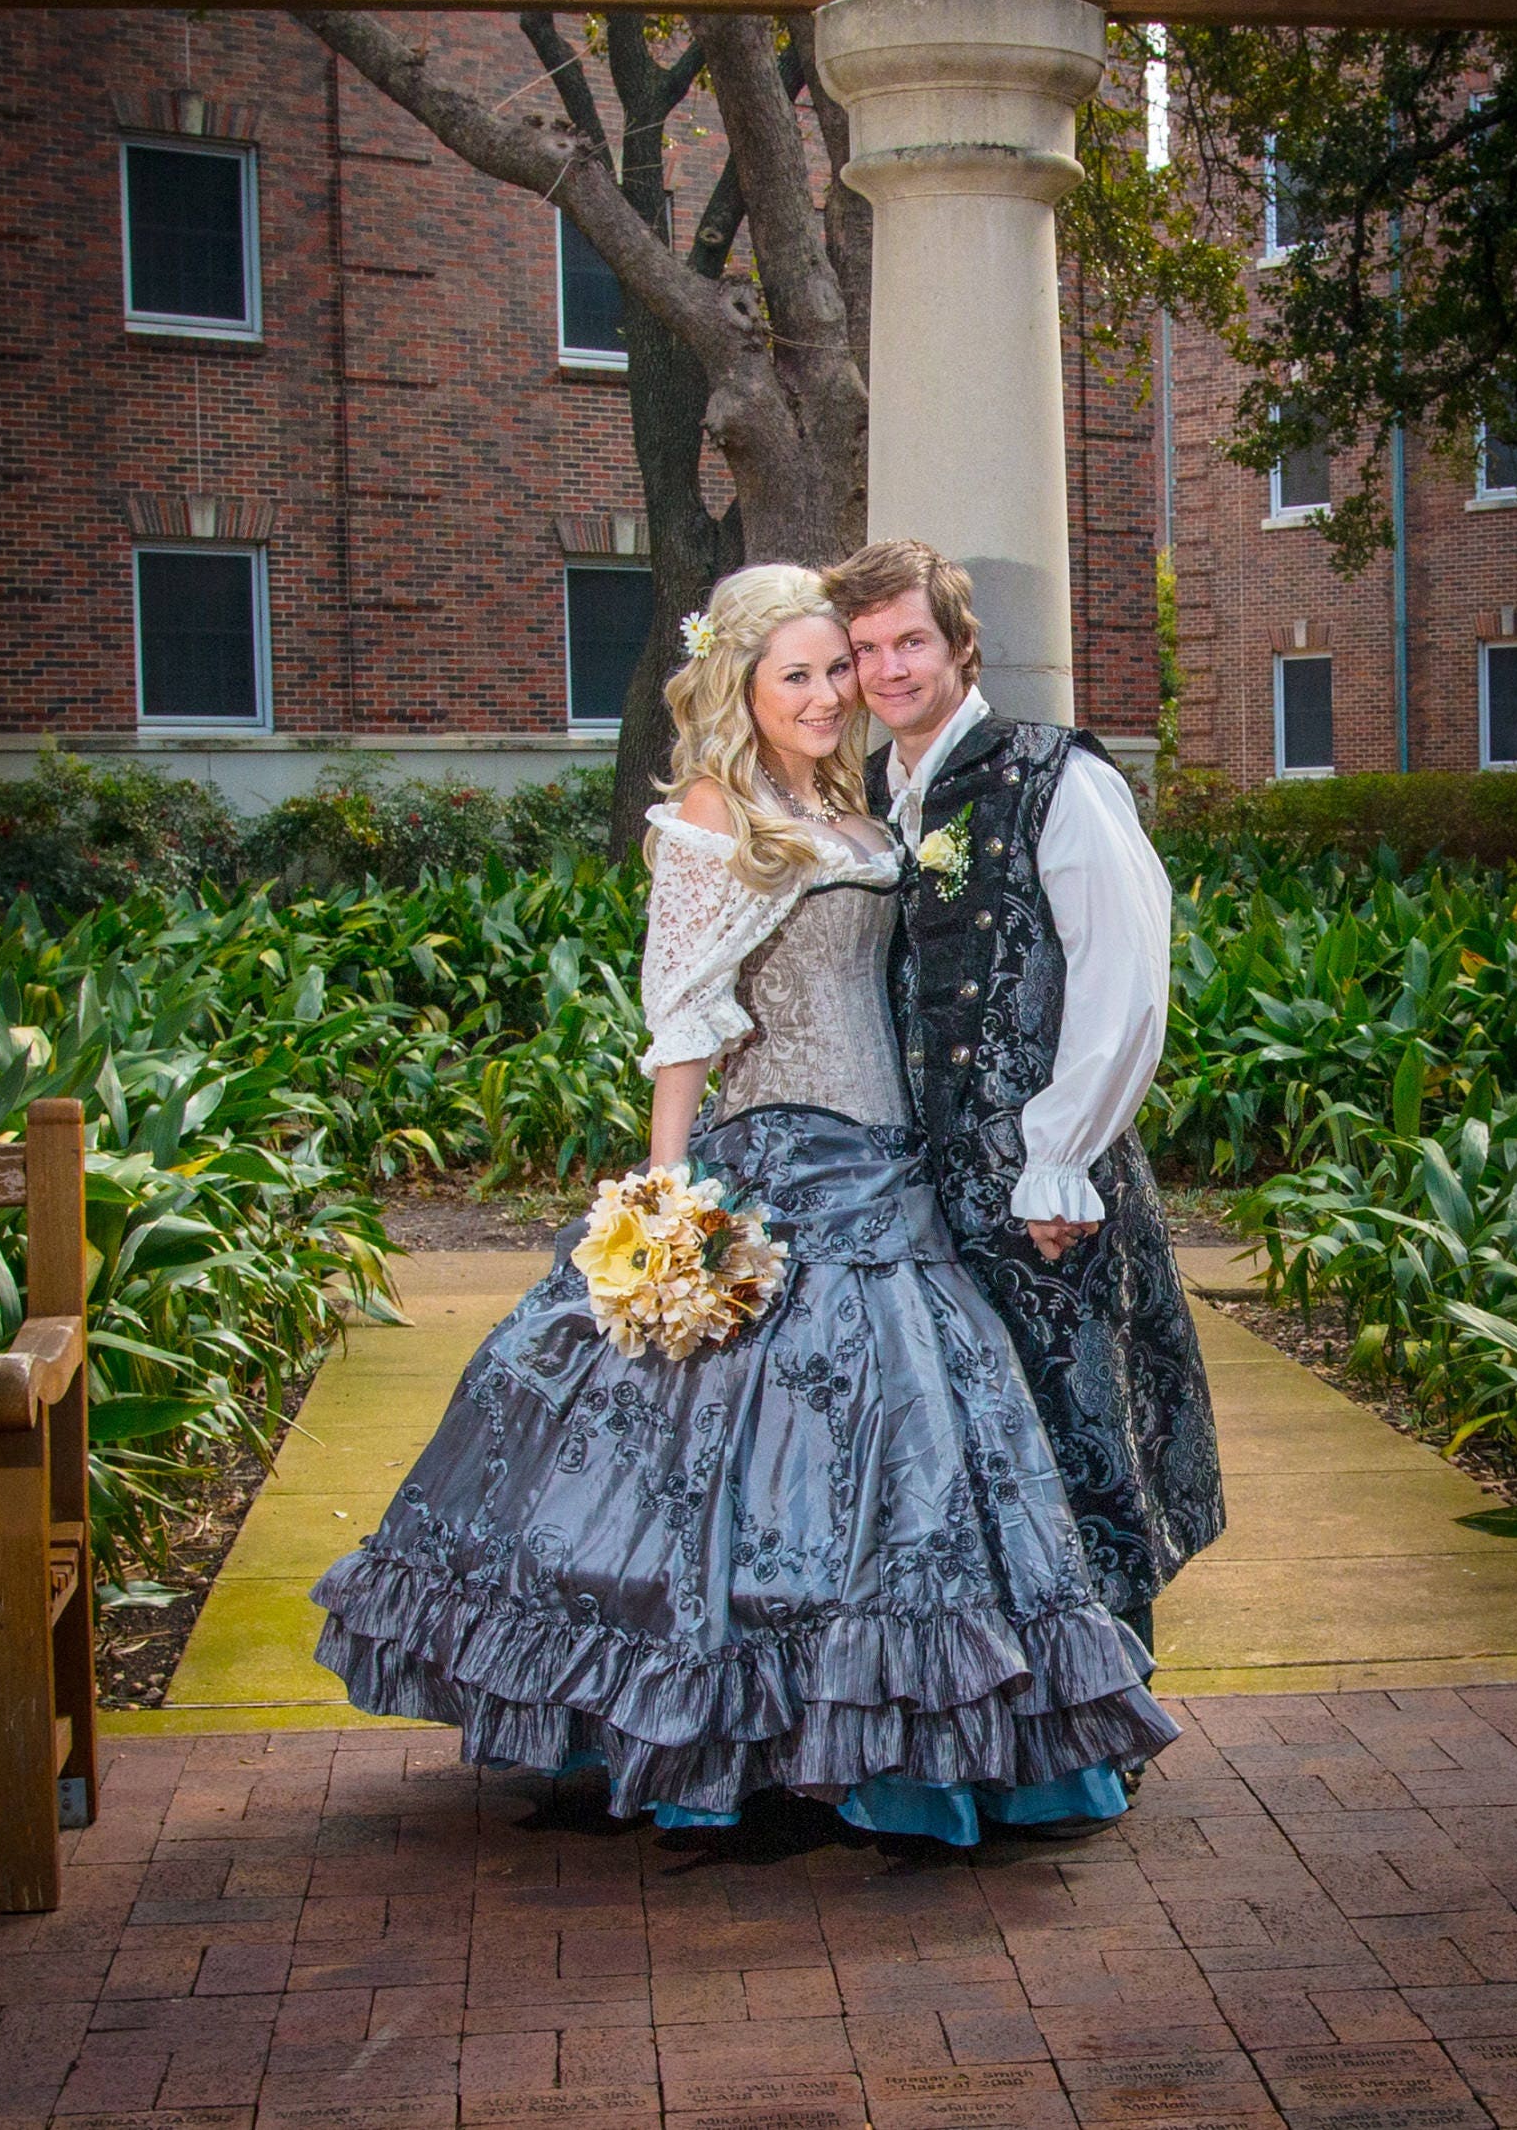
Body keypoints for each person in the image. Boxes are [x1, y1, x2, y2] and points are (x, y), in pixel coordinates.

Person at [312, 563, 1177, 1845]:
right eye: (803, 673)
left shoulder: (858, 795)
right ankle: (741, 1742)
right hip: (779, 1158)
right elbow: (683, 1023)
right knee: (739, 1468)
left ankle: (884, 1735)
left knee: (912, 1456)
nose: (834, 692)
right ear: (740, 684)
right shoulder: (714, 811)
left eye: (843, 666)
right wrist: (666, 1198)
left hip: (893, 1168)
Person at [823, 539, 1225, 1662]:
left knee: (1080, 1445)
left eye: (910, 640)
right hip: (917, 1196)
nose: (889, 669)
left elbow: (1122, 981)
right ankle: (1010, 1715)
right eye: (865, 649)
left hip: (1045, 1185)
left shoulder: (1058, 776)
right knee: (965, 1464)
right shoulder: (866, 799)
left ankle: (1112, 1709)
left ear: (962, 645)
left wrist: (1059, 1158)